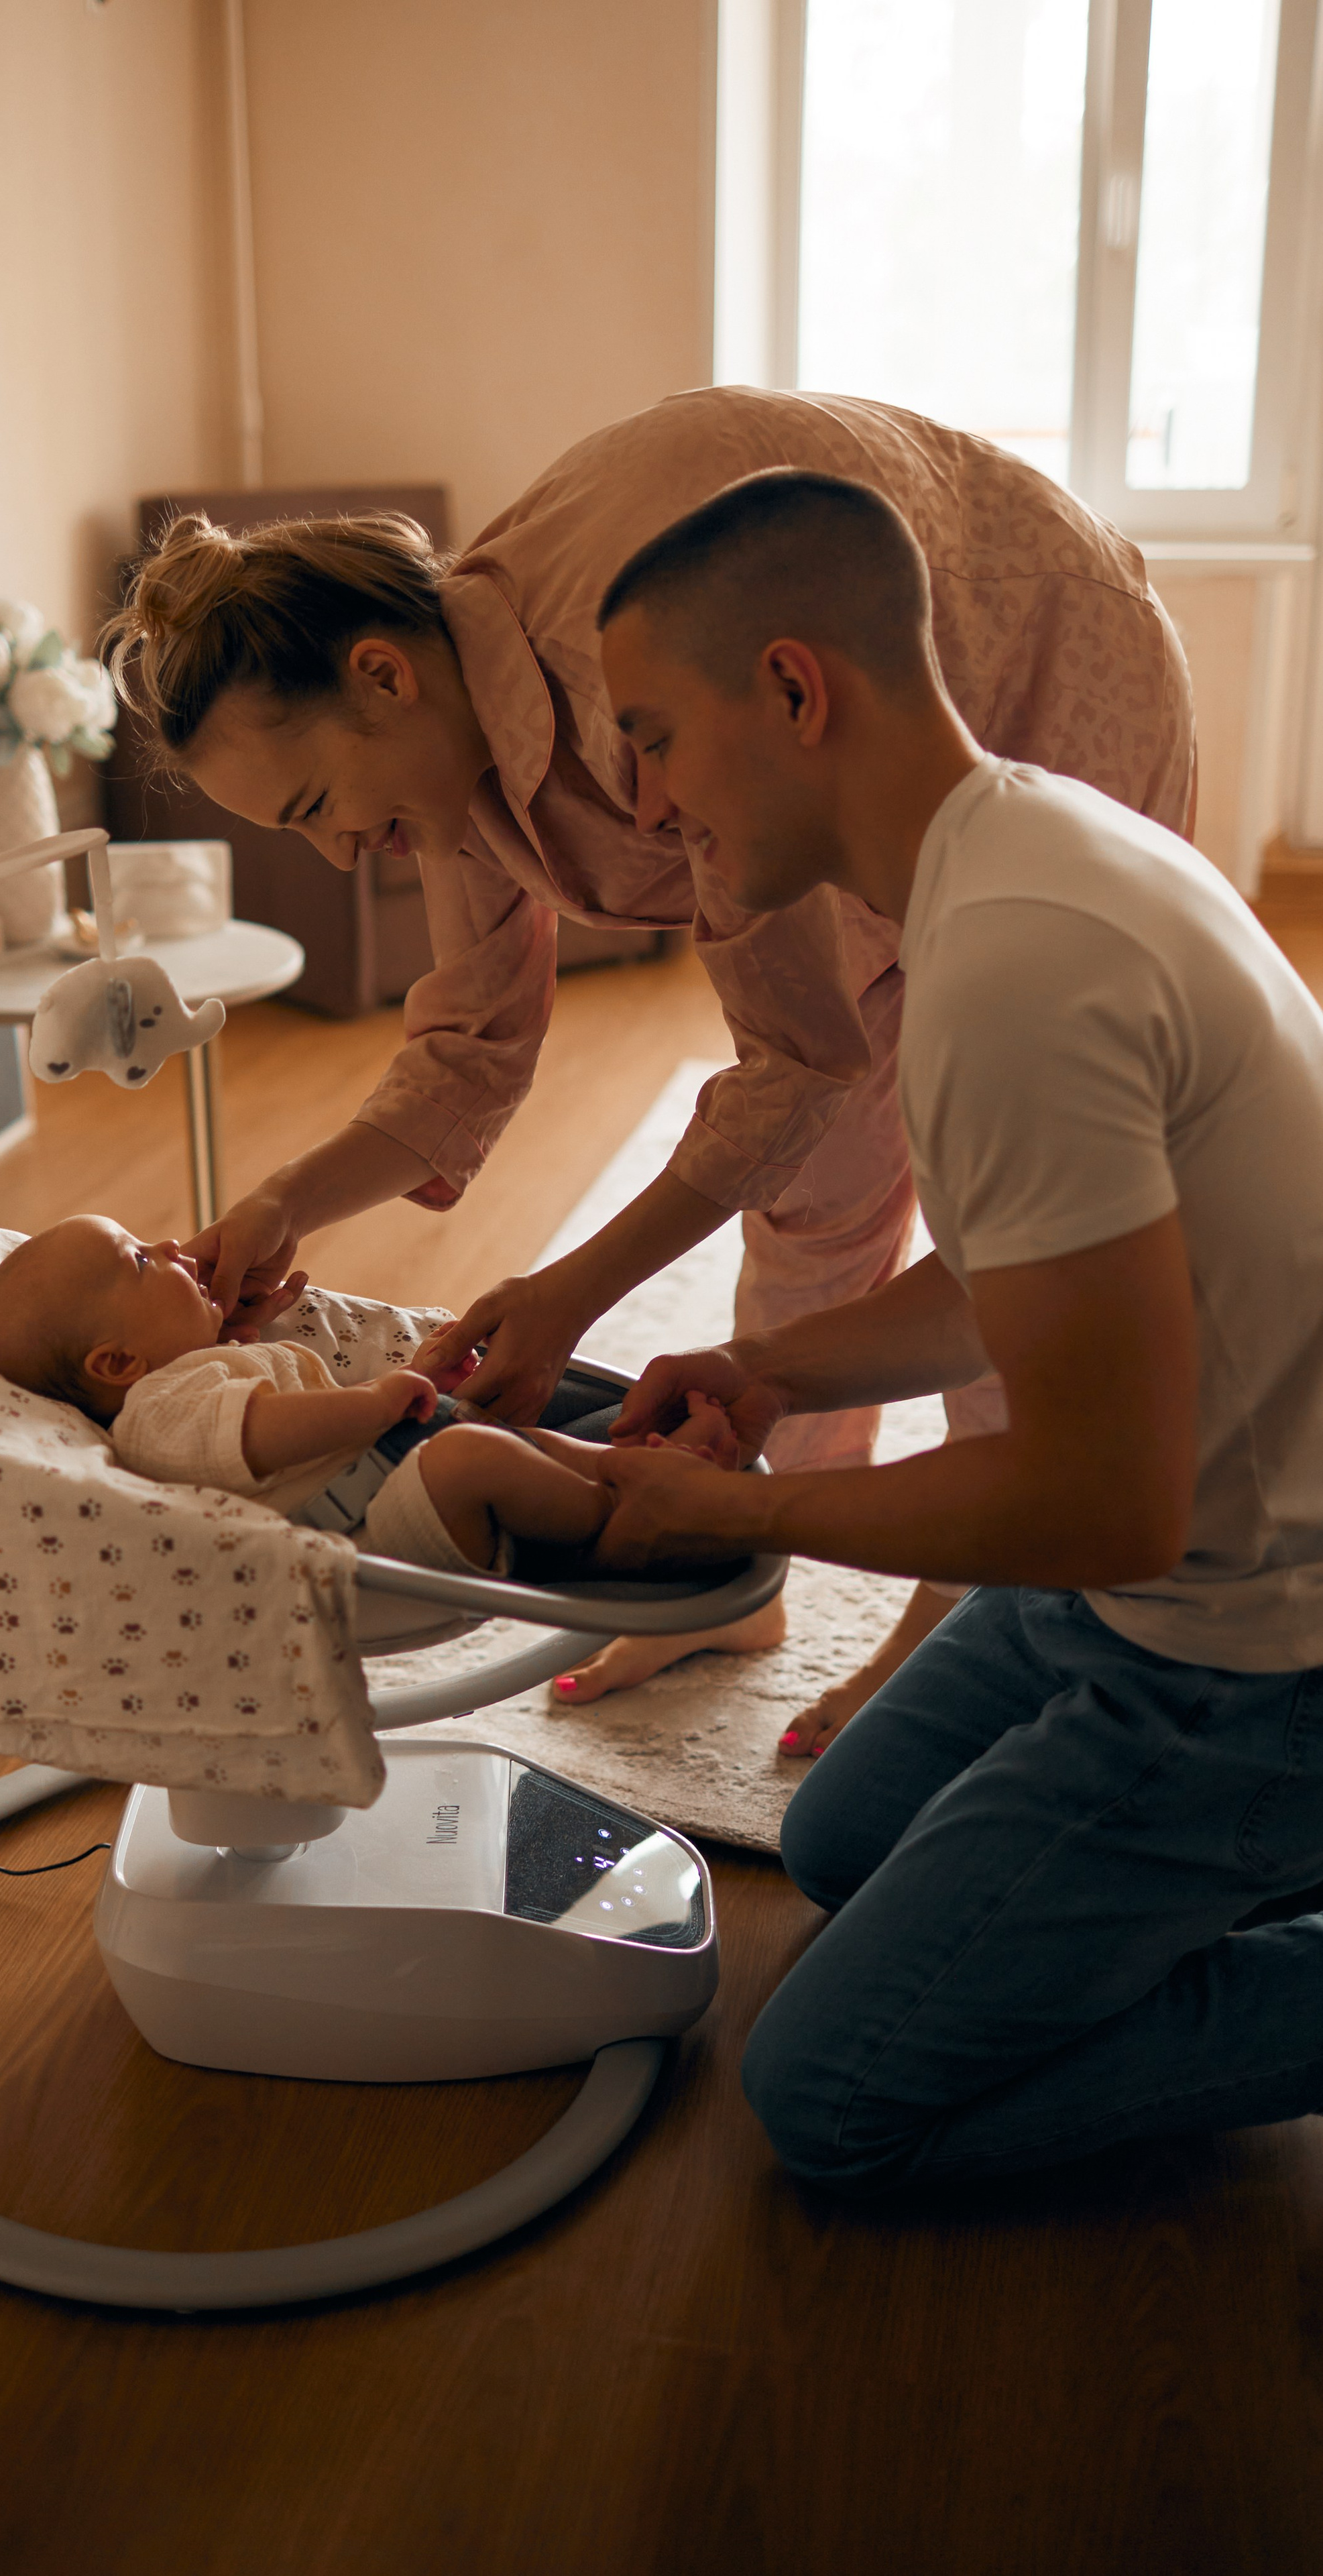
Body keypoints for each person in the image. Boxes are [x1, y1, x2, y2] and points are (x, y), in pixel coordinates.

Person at [103, 385, 1194, 1738]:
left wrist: (568, 1288)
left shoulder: (641, 691)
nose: (338, 852)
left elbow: (792, 1063)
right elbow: (470, 1046)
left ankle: (969, 1593)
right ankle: (748, 1572)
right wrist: (286, 1202)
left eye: (321, 807)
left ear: (381, 675)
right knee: (818, 1195)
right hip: (832, 697)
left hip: (1032, 645)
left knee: (991, 1188)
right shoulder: (446, 755)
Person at [577, 466, 1323, 2194]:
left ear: (789, 687)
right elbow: (1014, 1275)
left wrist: (749, 1511)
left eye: (654, 732)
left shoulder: (1012, 964)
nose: (645, 792)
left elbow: (1096, 1509)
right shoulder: (1018, 842)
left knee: (830, 2097)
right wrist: (767, 1373)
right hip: (1154, 1579)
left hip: (1246, 1661)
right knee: (840, 1836)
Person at [0, 1215, 737, 1580]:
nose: (169, 1246)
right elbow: (257, 1429)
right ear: (118, 1361)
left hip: (397, 1471)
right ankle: (618, 1529)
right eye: (140, 1259)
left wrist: (245, 1335)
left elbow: (248, 1391)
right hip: (378, 1529)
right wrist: (372, 1401)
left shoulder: (192, 1369)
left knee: (518, 1443)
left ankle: (628, 1467)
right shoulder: (155, 1412)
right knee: (473, 1453)